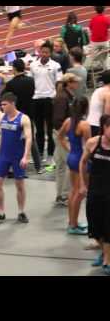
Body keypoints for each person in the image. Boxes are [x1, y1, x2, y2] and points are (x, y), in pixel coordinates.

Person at [0, 92, 32, 223]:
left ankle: (21, 212)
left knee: (19, 185)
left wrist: (25, 156)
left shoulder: (24, 119)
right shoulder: (2, 118)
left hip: (17, 156)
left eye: (4, 104)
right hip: (4, 155)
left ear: (12, 104)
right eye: (1, 105)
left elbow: (29, 139)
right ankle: (0, 212)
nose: (2, 107)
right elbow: (2, 137)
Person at [79, 114, 110, 275]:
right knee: (94, 225)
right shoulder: (93, 143)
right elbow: (83, 162)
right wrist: (83, 184)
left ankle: (107, 260)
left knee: (108, 225)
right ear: (104, 128)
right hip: (95, 190)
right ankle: (105, 252)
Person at [1, 58, 41, 173]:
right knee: (31, 140)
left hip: (16, 116)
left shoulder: (10, 84)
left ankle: (11, 167)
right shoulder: (31, 81)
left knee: (12, 141)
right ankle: (38, 167)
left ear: (13, 69)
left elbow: (4, 97)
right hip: (29, 114)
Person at [58, 96, 91, 235]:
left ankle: (72, 222)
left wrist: (69, 149)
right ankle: (73, 225)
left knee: (73, 191)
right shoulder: (84, 125)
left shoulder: (68, 121)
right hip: (80, 160)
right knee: (79, 193)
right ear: (85, 108)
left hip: (72, 157)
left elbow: (60, 137)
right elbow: (89, 146)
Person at [30, 40, 63, 166]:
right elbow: (31, 81)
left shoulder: (55, 65)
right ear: (39, 52)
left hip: (50, 99)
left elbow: (59, 83)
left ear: (50, 53)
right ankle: (39, 154)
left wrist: (57, 98)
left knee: (50, 130)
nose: (44, 54)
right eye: (42, 52)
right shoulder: (33, 65)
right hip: (37, 99)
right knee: (39, 130)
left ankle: (50, 155)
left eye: (46, 52)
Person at [52, 73, 80, 206]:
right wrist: (65, 134)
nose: (78, 84)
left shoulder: (68, 96)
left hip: (61, 134)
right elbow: (58, 120)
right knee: (70, 164)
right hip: (62, 135)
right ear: (68, 83)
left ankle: (60, 194)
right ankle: (64, 195)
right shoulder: (63, 98)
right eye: (75, 81)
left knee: (61, 165)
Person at [87, 70, 110, 137]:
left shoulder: (97, 90)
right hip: (99, 126)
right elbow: (107, 116)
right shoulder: (108, 93)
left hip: (90, 123)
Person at [88, 6, 110, 71]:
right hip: (104, 41)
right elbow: (108, 26)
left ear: (96, 10)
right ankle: (107, 69)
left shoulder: (93, 19)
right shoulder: (106, 19)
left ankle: (95, 69)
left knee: (93, 58)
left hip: (94, 42)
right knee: (106, 56)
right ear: (103, 10)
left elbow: (90, 28)